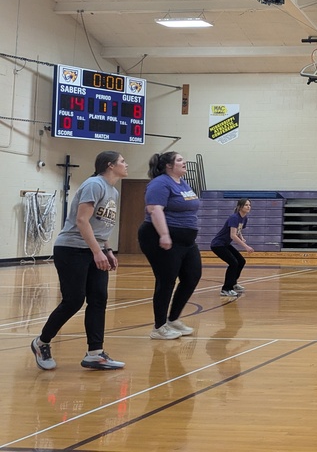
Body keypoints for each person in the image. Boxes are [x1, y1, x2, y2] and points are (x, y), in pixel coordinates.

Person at [30, 151, 129, 371]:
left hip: (94, 249)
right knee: (73, 300)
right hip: (72, 249)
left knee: (99, 299)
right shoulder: (94, 184)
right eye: (122, 161)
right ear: (110, 165)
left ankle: (95, 354)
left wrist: (107, 250)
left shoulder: (113, 191)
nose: (126, 164)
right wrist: (97, 252)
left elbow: (100, 226)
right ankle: (41, 342)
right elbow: (82, 221)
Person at [138, 152, 202, 341]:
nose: (184, 162)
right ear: (168, 165)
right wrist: (164, 234)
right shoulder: (160, 183)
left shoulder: (182, 183)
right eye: (180, 160)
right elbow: (155, 209)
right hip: (160, 236)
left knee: (192, 276)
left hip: (186, 241)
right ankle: (159, 327)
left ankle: (173, 319)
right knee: (166, 281)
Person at [210, 198, 254, 297]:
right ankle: (226, 289)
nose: (248, 207)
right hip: (218, 245)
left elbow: (238, 230)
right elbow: (233, 235)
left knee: (241, 261)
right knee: (233, 263)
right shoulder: (234, 217)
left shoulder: (244, 218)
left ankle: (233, 284)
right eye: (246, 205)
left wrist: (241, 237)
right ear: (240, 207)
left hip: (225, 244)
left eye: (249, 205)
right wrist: (246, 247)